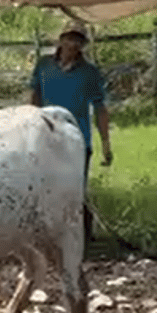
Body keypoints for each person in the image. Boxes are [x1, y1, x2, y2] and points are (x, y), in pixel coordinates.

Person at [29, 22, 112, 243]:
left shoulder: (89, 73)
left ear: (82, 45)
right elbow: (34, 97)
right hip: (46, 136)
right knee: (44, 186)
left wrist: (105, 143)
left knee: (75, 190)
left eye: (78, 40)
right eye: (69, 38)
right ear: (61, 40)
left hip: (77, 139)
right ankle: (46, 235)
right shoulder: (44, 66)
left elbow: (100, 107)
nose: (73, 44)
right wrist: (30, 126)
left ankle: (82, 237)